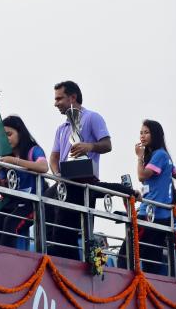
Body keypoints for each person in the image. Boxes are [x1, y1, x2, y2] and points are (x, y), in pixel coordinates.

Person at [44, 80, 135, 260]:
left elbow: (107, 144)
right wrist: (58, 175)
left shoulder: (92, 117)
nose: (55, 103)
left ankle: (68, 265)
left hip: (84, 183)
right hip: (65, 183)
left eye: (59, 98)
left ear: (73, 97)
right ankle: (52, 256)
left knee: (70, 229)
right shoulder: (61, 128)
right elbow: (53, 157)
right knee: (45, 204)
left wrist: (89, 146)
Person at [130, 120, 176, 275]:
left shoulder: (159, 155)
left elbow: (141, 176)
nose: (142, 136)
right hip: (158, 215)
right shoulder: (162, 155)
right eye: (141, 132)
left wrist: (139, 157)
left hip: (151, 216)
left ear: (155, 135)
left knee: (127, 254)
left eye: (146, 132)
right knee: (150, 259)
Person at [0, 115, 49, 248]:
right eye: (3, 135)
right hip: (14, 202)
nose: (6, 139)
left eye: (9, 134)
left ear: (20, 133)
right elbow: (5, 190)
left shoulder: (33, 150)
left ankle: (6, 258)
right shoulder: (6, 155)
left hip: (32, 203)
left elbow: (43, 167)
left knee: (11, 222)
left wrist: (15, 162)